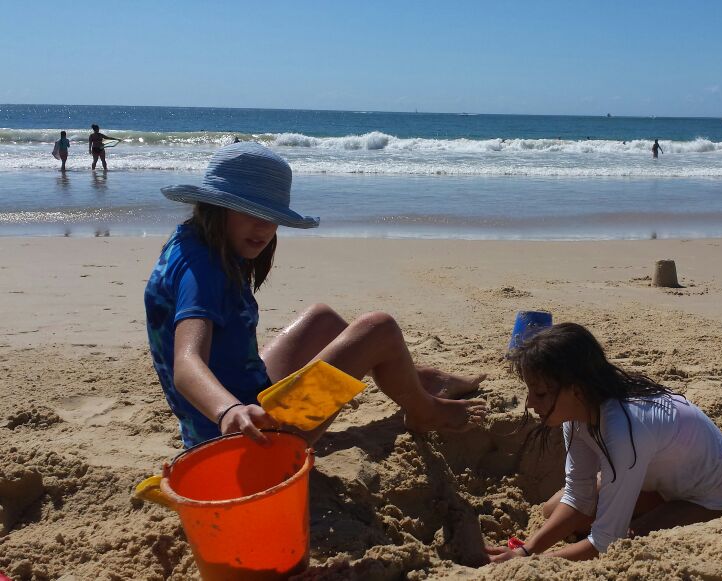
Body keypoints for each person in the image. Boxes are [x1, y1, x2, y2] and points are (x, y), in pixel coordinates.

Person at [145, 141, 488, 448]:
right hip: (252, 440)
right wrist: (229, 411)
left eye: (271, 216)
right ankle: (425, 410)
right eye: (249, 211)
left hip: (243, 403)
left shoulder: (192, 240)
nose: (263, 227)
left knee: (322, 320)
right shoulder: (202, 272)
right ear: (215, 206)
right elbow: (186, 365)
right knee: (378, 328)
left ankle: (417, 380)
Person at [485, 323, 722, 563]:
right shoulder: (576, 416)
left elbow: (605, 542)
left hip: (711, 497)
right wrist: (525, 550)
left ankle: (651, 516)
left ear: (576, 390)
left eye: (540, 394)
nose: (530, 403)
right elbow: (579, 497)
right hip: (660, 485)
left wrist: (531, 563)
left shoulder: (625, 429)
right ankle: (647, 509)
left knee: (629, 539)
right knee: (551, 509)